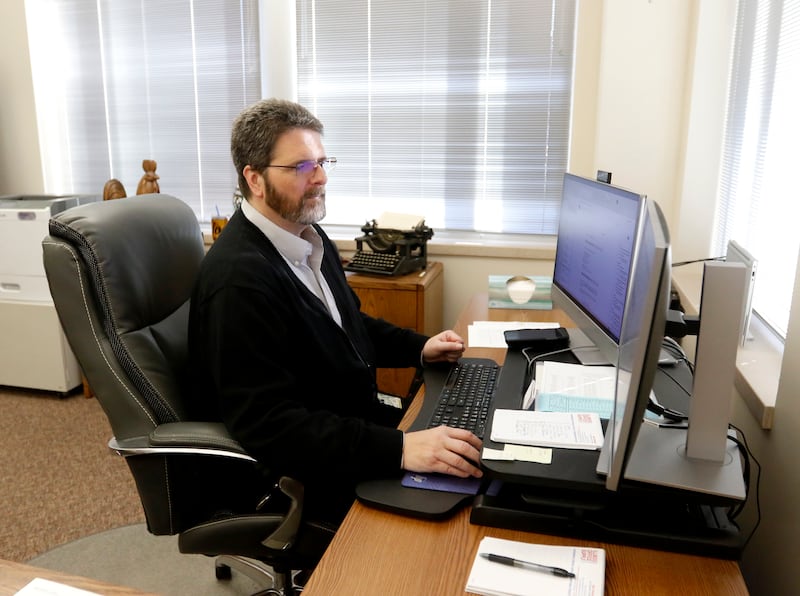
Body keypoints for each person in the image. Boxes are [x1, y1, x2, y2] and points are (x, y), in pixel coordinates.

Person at [188, 98, 483, 523]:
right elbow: (271, 426)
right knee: (453, 524)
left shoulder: (305, 236)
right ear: (254, 178)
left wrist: (420, 348)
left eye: (323, 162)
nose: (322, 178)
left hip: (349, 428)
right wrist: (401, 449)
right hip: (300, 474)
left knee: (477, 462)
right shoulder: (239, 281)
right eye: (302, 167)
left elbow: (344, 325)